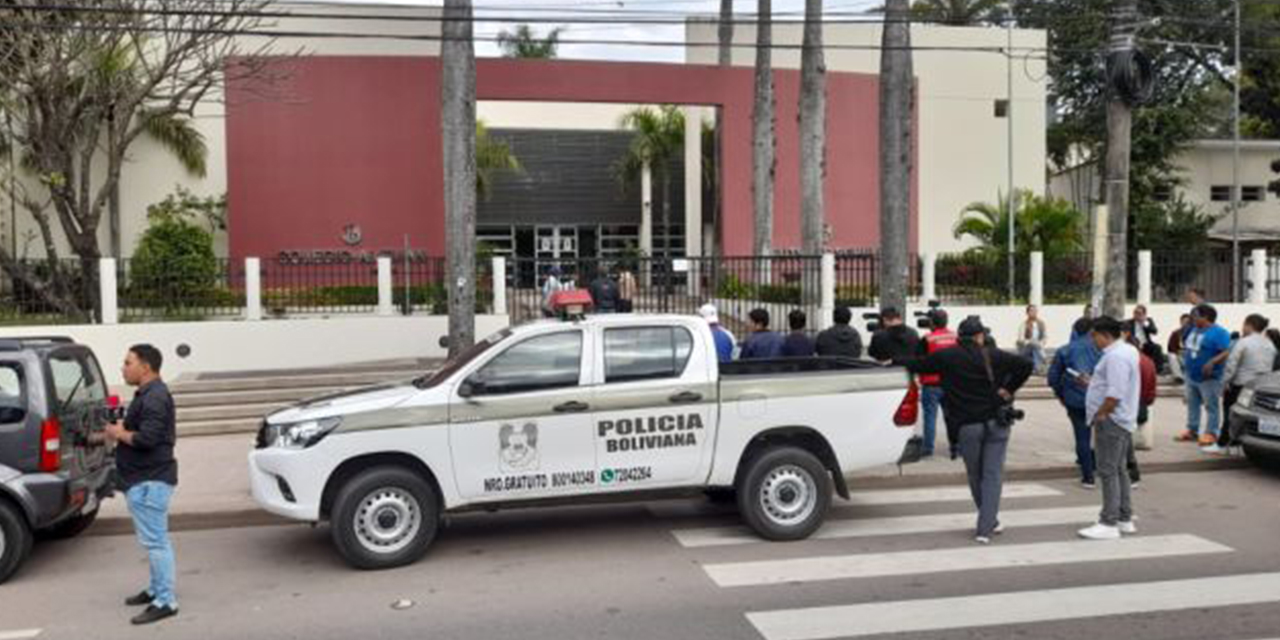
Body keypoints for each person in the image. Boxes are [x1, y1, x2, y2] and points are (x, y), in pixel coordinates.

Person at [899, 316, 1033, 544]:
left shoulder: (948, 356)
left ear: (958, 337)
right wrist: (1008, 389)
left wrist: (889, 361)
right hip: (997, 423)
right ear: (980, 335)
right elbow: (1026, 365)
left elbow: (915, 364)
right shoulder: (994, 354)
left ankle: (987, 520)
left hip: (967, 425)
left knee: (975, 474)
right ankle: (986, 525)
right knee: (992, 475)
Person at [105, 344, 180, 624]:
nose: (123, 368)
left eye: (127, 363)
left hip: (150, 480)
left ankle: (165, 600)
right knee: (153, 542)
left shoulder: (155, 397)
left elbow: (147, 439)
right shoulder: (148, 394)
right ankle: (155, 589)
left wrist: (117, 432)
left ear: (145, 367)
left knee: (156, 542)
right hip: (144, 478)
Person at [1078, 316, 1142, 541]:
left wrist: (1102, 413)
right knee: (1119, 469)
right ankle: (1124, 517)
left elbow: (1115, 392)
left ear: (1105, 335)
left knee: (1107, 470)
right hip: (1121, 418)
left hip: (1113, 419)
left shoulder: (1115, 357)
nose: (1092, 340)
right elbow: (1114, 384)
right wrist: (1093, 383)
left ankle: (1109, 521)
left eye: (1094, 335)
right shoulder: (1126, 351)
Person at [1048, 317, 1103, 488]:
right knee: (1106, 436)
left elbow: (1053, 377)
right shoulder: (1102, 349)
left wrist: (1062, 396)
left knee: (1082, 437)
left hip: (1075, 399)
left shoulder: (1065, 350)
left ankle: (1088, 477)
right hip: (1102, 399)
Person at [1219, 314, 1278, 451]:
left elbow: (1231, 365)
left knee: (1230, 415)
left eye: (1244, 325)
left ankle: (1225, 444)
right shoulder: (1269, 344)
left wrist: (1225, 382)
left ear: (1248, 325)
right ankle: (1242, 444)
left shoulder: (1243, 342)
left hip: (1240, 385)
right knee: (1251, 418)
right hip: (1259, 387)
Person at [1177, 304, 1231, 450]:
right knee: (1192, 404)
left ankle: (1211, 432)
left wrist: (1213, 361)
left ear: (1206, 317)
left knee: (1211, 406)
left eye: (1196, 316)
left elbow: (1227, 351)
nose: (1193, 318)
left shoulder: (1220, 333)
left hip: (1209, 378)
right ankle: (1192, 429)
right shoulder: (1194, 329)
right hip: (1191, 375)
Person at [917, 309, 958, 458]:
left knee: (930, 417)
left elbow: (920, 361)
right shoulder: (956, 337)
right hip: (952, 384)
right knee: (952, 417)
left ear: (932, 323)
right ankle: (956, 448)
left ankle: (928, 449)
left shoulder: (927, 339)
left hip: (931, 383)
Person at [1130, 305, 1164, 372]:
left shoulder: (1148, 321)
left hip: (1146, 344)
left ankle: (1156, 370)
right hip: (1134, 344)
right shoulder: (1129, 322)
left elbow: (1154, 331)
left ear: (1144, 314)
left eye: (1139, 313)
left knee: (1157, 348)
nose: (1137, 315)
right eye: (1135, 312)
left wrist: (1144, 324)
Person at [1017, 305, 1048, 373]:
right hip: (1026, 347)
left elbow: (1045, 337)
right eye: (1031, 311)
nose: (1034, 312)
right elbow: (1020, 339)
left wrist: (1040, 343)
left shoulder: (1041, 323)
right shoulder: (1024, 324)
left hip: (1038, 346)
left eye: (1035, 311)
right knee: (1033, 345)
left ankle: (1036, 367)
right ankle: (1043, 361)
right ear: (1027, 313)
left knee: (1035, 347)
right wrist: (1030, 342)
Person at [1167, 314, 1193, 382]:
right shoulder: (1175, 333)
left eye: (1187, 322)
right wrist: (1177, 352)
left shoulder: (1194, 333)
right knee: (1171, 356)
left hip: (1190, 354)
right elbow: (1170, 347)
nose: (1185, 324)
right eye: (1184, 321)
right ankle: (1178, 377)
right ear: (1180, 322)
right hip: (1179, 353)